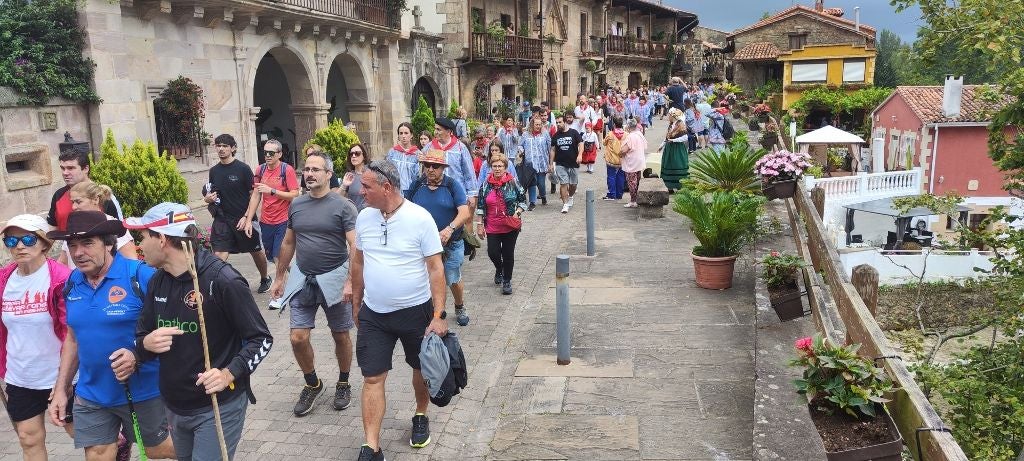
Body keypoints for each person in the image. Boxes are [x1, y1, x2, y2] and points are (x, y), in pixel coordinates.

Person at [129, 203, 274, 460]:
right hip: (174, 406)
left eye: (142, 236)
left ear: (161, 239)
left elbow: (261, 339)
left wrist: (229, 373)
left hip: (217, 406)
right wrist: (145, 344)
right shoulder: (156, 281)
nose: (138, 244)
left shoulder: (223, 280)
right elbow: (142, 338)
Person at [46, 211, 176, 460]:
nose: (78, 253)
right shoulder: (73, 282)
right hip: (92, 392)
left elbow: (176, 324)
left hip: (143, 390)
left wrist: (140, 354)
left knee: (158, 450)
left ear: (108, 243)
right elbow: (73, 338)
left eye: (87, 243)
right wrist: (61, 388)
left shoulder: (139, 275)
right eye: (72, 245)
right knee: (97, 453)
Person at [350, 160, 449, 461]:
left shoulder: (420, 219)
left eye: (366, 186)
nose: (361, 191)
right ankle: (371, 446)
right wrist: (356, 301)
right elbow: (358, 262)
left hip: (415, 312)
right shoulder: (365, 217)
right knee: (372, 377)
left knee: (420, 369)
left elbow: (435, 269)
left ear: (387, 187)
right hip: (374, 314)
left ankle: (420, 414)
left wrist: (438, 315)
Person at [268, 150, 359, 417]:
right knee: (297, 338)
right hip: (303, 278)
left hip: (335, 279)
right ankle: (313, 383)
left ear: (329, 175)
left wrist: (350, 281)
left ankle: (343, 381)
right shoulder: (297, 204)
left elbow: (355, 245)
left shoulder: (344, 207)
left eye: (315, 170)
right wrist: (280, 276)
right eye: (306, 169)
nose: (308, 174)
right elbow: (288, 241)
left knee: (340, 335)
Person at [1, 214, 74, 460]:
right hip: (21, 376)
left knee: (81, 434)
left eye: (27, 239)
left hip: (61, 375)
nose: (19, 246)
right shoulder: (4, 280)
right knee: (28, 440)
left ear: (44, 242)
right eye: (11, 241)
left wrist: (64, 380)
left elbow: (71, 332)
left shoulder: (62, 278)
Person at [406, 150, 472, 326]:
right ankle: (434, 312)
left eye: (435, 166)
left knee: (452, 278)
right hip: (423, 245)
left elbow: (464, 212)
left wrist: (449, 229)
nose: (430, 169)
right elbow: (405, 209)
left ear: (443, 168)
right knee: (427, 280)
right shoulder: (417, 185)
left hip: (450, 243)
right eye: (427, 165)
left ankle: (459, 306)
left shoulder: (452, 185)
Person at [203, 134, 272, 293]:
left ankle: (264, 277)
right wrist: (207, 199)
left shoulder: (243, 169)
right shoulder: (213, 171)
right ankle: (215, 286)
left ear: (233, 148)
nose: (221, 149)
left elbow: (253, 195)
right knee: (219, 253)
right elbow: (212, 193)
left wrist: (247, 217)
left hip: (244, 218)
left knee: (256, 251)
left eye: (225, 146)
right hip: (222, 219)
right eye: (218, 145)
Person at [242, 139, 299, 310]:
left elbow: (295, 194)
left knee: (278, 257)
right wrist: (248, 218)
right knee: (281, 260)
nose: (267, 156)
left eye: (271, 153)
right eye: (265, 152)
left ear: (279, 154)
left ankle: (279, 296)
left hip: (284, 220)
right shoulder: (260, 170)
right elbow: (256, 195)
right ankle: (302, 280)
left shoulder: (286, 170)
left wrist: (272, 190)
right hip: (266, 221)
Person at [475, 153, 527, 295]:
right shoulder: (486, 185)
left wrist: (517, 212)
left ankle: (507, 280)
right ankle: (499, 268)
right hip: (492, 225)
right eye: (494, 166)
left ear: (505, 167)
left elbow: (523, 201)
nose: (497, 169)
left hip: (510, 225)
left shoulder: (513, 182)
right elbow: (480, 205)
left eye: (500, 166)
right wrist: (479, 224)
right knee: (493, 252)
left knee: (508, 253)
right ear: (491, 167)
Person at [47, 149, 122, 231]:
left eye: (70, 168)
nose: (65, 173)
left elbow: (119, 232)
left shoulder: (104, 195)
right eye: (62, 168)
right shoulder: (58, 194)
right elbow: (52, 228)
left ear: (86, 169)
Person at [64, 181, 138, 263]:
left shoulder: (113, 226)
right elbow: (63, 261)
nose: (73, 207)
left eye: (78, 202)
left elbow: (132, 264)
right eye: (72, 202)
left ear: (95, 199)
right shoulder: (74, 226)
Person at [430, 118, 479, 207]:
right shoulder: (430, 147)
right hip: (435, 192)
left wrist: (471, 194)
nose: (435, 132)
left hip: (456, 192)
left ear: (448, 131)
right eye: (435, 129)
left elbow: (468, 172)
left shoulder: (460, 148)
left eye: (439, 130)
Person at [549, 114, 583, 214]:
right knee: (563, 183)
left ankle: (571, 195)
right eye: (557, 122)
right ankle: (565, 204)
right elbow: (553, 150)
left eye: (560, 122)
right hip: (560, 163)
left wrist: (580, 155)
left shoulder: (573, 132)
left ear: (564, 122)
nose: (558, 124)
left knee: (573, 184)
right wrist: (551, 163)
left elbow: (581, 143)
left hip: (573, 162)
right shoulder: (555, 135)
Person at [520, 117, 551, 209]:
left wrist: (551, 162)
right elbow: (520, 145)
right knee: (532, 183)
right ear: (532, 125)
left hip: (542, 163)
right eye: (536, 124)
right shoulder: (525, 135)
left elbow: (550, 147)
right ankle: (532, 202)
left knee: (541, 183)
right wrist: (521, 150)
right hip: (530, 164)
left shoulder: (545, 134)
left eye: (540, 124)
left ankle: (543, 195)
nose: (538, 126)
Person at [386, 123, 422, 194]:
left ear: (411, 135)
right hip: (395, 191)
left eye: (406, 133)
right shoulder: (392, 152)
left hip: (412, 191)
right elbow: (387, 172)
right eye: (401, 133)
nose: (403, 136)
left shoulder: (417, 154)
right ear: (398, 136)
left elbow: (419, 175)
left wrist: (422, 163)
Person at [619, 119, 648, 208]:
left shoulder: (631, 136)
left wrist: (619, 154)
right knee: (637, 180)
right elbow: (645, 146)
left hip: (632, 162)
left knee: (632, 182)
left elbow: (624, 150)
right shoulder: (640, 134)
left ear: (628, 126)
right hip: (639, 160)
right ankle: (636, 199)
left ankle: (633, 201)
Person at [662, 108, 690, 192]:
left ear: (673, 115)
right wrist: (662, 145)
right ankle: (669, 186)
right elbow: (667, 138)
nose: (668, 116)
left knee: (678, 164)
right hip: (669, 148)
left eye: (669, 115)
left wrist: (673, 140)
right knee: (669, 165)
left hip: (678, 148)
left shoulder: (680, 124)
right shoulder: (671, 124)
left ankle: (679, 186)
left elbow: (685, 137)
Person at [342, 143, 371, 212]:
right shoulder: (349, 176)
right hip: (353, 217)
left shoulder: (372, 174)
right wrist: (344, 185)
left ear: (364, 156)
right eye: (351, 154)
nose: (353, 156)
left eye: (357, 153)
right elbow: (336, 199)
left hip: (370, 217)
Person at [602, 118, 626, 200]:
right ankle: (619, 195)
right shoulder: (626, 134)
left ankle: (612, 194)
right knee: (621, 177)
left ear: (614, 125)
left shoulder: (610, 134)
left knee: (611, 177)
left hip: (611, 159)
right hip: (622, 160)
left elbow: (604, 143)